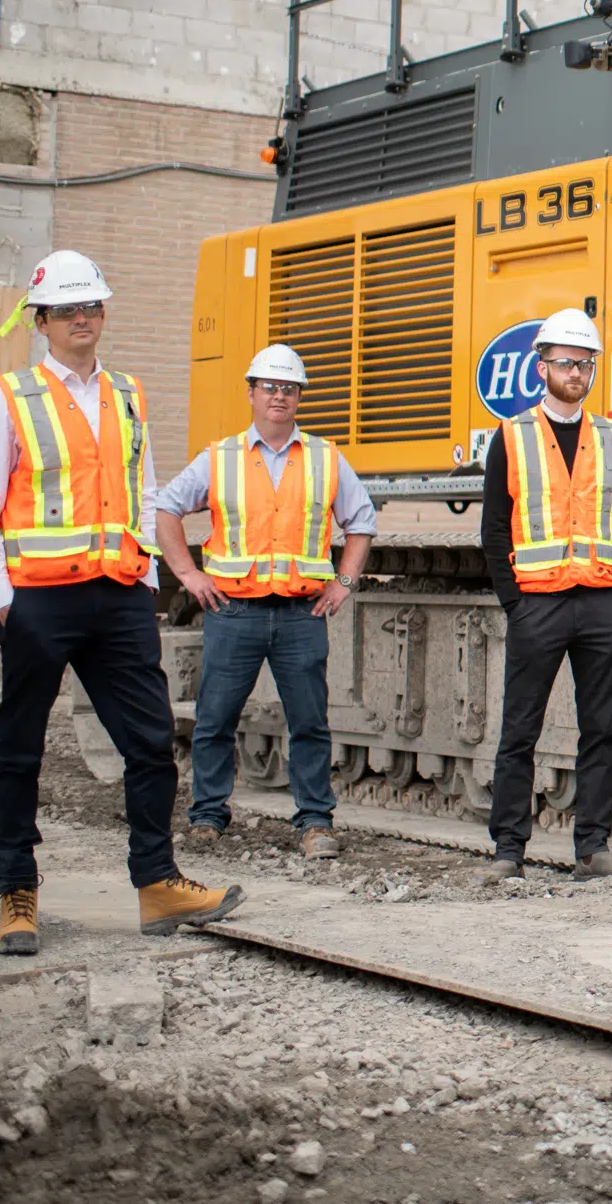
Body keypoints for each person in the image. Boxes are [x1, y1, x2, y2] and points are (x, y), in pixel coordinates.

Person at [0, 249, 243, 954]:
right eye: (68, 309)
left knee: (150, 744)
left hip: (118, 597)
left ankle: (156, 882)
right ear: (43, 319)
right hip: (38, 602)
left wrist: (146, 576)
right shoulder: (7, 398)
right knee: (20, 749)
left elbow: (144, 489)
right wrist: (4, 599)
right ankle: (16, 890)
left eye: (92, 306)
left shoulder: (126, 393)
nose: (83, 318)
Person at [153, 344, 375, 860]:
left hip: (301, 615)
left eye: (289, 389)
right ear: (251, 393)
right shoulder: (220, 458)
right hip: (234, 612)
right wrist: (186, 573)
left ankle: (315, 822)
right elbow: (166, 507)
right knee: (214, 719)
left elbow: (361, 521)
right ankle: (208, 817)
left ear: (298, 398)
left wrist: (344, 581)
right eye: (271, 387)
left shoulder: (325, 458)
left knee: (310, 723)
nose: (280, 396)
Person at [479, 307, 612, 883]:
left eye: (585, 364)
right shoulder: (514, 435)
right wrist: (515, 602)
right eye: (565, 363)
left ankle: (592, 848)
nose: (576, 372)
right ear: (542, 366)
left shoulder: (610, 437)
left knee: (599, 728)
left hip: (601, 603)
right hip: (538, 605)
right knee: (520, 730)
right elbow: (496, 527)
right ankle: (509, 849)